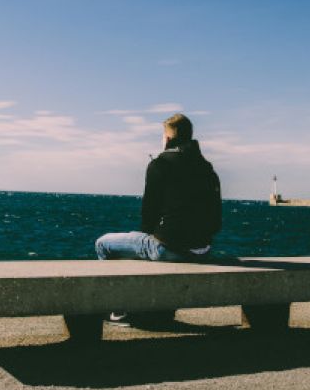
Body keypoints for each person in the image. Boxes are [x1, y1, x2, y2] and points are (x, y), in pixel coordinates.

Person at [95, 113, 222, 324]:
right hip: (202, 249)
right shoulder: (207, 168)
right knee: (147, 241)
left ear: (168, 138)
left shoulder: (161, 164)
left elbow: (148, 214)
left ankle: (120, 310)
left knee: (104, 244)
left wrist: (151, 234)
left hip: (171, 248)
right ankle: (160, 309)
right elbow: (216, 219)